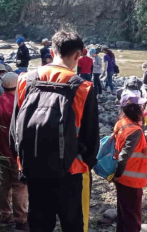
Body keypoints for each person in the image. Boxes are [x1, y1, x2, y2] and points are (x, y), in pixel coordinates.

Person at [10, 31, 99, 232]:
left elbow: (15, 130)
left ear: (52, 51)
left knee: (40, 223)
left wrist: (23, 163)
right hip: (70, 171)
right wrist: (84, 162)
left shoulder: (25, 80)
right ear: (78, 55)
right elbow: (91, 139)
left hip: (34, 168)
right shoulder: (83, 87)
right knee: (72, 223)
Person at [113, 93, 147, 232]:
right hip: (131, 180)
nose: (142, 108)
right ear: (134, 109)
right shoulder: (135, 130)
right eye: (140, 106)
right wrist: (118, 174)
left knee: (123, 215)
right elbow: (124, 155)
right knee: (133, 219)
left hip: (123, 180)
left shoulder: (121, 123)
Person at [0, 72, 28, 231]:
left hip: (1, 153)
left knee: (4, 185)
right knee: (20, 187)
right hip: (15, 154)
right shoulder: (19, 105)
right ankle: (21, 220)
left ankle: (5, 215)